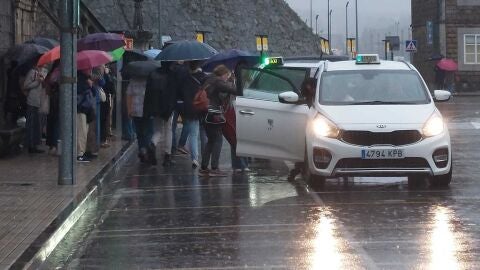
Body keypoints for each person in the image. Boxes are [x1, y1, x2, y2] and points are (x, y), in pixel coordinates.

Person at [199, 65, 237, 177]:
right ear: (223, 74)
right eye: (226, 75)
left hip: (205, 113)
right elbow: (233, 89)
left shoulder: (208, 79)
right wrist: (234, 82)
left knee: (211, 140)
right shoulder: (217, 81)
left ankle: (204, 167)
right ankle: (214, 168)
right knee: (217, 140)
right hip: (213, 113)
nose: (226, 77)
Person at [144, 62, 177, 167]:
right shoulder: (172, 75)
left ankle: (152, 144)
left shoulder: (153, 74)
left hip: (154, 107)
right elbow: (173, 93)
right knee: (168, 130)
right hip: (167, 107)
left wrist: (147, 109)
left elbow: (147, 92)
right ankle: (167, 156)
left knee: (158, 129)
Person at [177, 61, 207, 168]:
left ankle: (195, 158)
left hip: (190, 109)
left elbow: (181, 95)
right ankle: (205, 158)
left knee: (193, 135)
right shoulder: (204, 77)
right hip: (203, 109)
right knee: (204, 135)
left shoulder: (185, 79)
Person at [288, 78, 317, 181]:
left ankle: (298, 170)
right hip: (308, 129)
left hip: (314, 130)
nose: (310, 89)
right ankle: (298, 170)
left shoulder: (316, 98)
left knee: (305, 152)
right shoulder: (309, 99)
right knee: (304, 151)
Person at [127, 76, 156, 165]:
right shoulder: (150, 80)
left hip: (135, 110)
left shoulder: (132, 80)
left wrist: (129, 110)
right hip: (148, 110)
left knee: (139, 132)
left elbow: (128, 95)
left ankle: (141, 149)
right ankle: (146, 150)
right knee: (149, 132)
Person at [22, 65, 47, 153]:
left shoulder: (42, 72)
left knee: (37, 124)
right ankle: (30, 145)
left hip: (39, 102)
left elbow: (44, 86)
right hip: (32, 101)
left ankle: (35, 145)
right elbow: (26, 86)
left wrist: (42, 81)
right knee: (31, 123)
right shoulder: (32, 72)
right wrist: (37, 81)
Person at [77, 69, 95, 162]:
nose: (90, 69)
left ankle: (82, 152)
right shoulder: (79, 78)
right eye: (88, 68)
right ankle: (79, 154)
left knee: (84, 132)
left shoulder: (88, 79)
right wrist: (87, 84)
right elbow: (78, 91)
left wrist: (91, 84)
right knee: (81, 131)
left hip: (87, 110)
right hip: (81, 108)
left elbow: (94, 92)